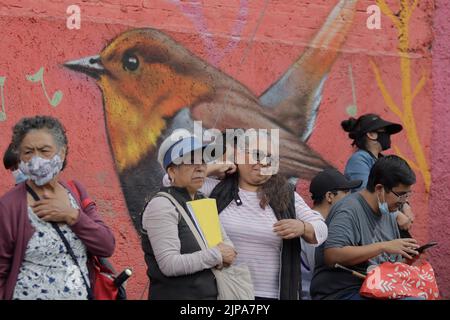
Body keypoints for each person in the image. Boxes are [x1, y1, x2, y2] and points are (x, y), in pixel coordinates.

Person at [164, 129, 328, 300]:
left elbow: (321, 229)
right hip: (222, 292)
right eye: (257, 155)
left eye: (270, 158)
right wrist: (213, 168)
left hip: (271, 295)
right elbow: (171, 181)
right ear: (239, 155)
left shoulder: (286, 195)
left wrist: (302, 227)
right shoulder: (215, 189)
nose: (264, 162)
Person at [0, 115, 115, 300]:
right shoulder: (9, 207)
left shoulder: (76, 192)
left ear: (62, 153)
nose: (36, 160)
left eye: (44, 150)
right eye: (28, 152)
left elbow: (106, 246)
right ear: (19, 156)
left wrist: (73, 216)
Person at [141, 132, 237, 300]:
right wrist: (217, 255)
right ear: (171, 171)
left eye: (203, 161)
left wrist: (226, 252)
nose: (200, 167)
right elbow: (170, 264)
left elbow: (225, 244)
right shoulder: (162, 205)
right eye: (191, 161)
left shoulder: (202, 201)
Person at [310, 155, 421, 300]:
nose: (404, 201)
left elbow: (386, 267)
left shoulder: (389, 212)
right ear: (380, 189)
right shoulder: (348, 209)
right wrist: (383, 246)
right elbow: (332, 255)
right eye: (400, 195)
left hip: (376, 289)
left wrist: (408, 260)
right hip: (342, 292)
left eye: (408, 195)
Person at [341, 113, 414, 233]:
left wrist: (405, 204)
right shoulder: (359, 160)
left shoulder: (380, 160)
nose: (388, 136)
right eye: (385, 131)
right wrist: (397, 215)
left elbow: (395, 189)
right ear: (371, 134)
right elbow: (364, 195)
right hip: (370, 229)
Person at [300, 169, 362, 299]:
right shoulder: (315, 226)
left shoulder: (318, 222)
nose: (350, 198)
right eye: (345, 193)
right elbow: (319, 269)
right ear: (329, 196)